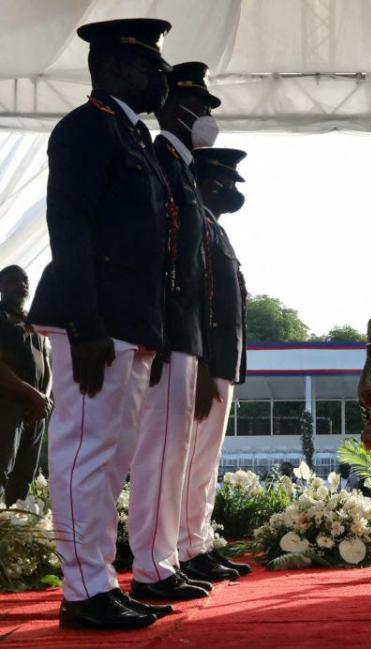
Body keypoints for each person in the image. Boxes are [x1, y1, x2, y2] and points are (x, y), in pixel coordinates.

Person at [26, 18, 176, 629]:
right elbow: (70, 226)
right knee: (85, 455)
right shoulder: (87, 129)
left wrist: (151, 332)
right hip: (94, 321)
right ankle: (83, 593)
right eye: (149, 67)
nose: (159, 79)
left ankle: (98, 583)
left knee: (109, 460)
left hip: (125, 321)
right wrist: (86, 327)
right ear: (114, 67)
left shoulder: (131, 136)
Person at [128, 61, 231, 601]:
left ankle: (163, 558)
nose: (204, 117)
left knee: (172, 457)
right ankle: (152, 565)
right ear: (173, 107)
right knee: (160, 457)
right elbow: (158, 260)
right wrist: (163, 334)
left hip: (184, 337)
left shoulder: (178, 166)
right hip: (169, 336)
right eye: (197, 107)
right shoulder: (161, 161)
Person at [179, 148, 252, 581]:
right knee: (191, 462)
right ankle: (186, 550)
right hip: (205, 365)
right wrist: (203, 367)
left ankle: (198, 544)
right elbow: (193, 301)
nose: (232, 192)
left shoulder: (214, 229)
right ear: (206, 182)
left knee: (205, 464)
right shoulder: (198, 228)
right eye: (225, 183)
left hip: (223, 363)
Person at [0, 266, 52, 506]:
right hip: (7, 408)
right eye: (13, 279)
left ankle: (13, 540)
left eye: (25, 280)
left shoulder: (35, 323)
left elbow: (47, 366)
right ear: (1, 286)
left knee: (23, 484)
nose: (21, 283)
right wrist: (33, 394)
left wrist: (45, 399)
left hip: (35, 413)